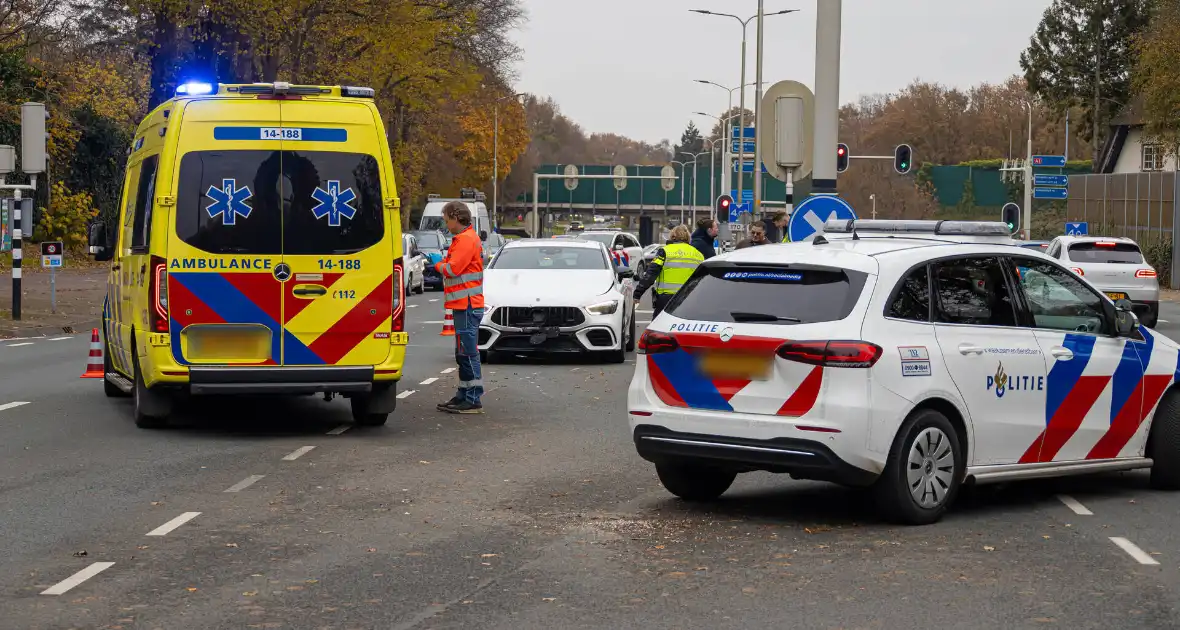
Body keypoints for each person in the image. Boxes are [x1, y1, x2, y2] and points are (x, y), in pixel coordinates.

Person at [435, 202, 486, 414]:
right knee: (463, 353)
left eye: (447, 218)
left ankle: (473, 398)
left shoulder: (465, 240)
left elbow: (452, 268)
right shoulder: (464, 238)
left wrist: (438, 264)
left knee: (467, 353)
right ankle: (464, 394)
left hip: (467, 305)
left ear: (456, 217)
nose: (446, 223)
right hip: (465, 304)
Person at [633, 225, 704, 317]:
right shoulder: (698, 255)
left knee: (659, 328)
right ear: (688, 237)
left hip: (667, 299)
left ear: (673, 236)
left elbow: (651, 274)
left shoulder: (665, 251)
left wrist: (638, 293)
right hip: (690, 298)